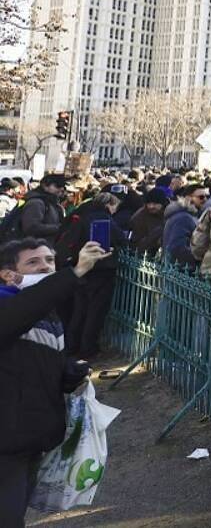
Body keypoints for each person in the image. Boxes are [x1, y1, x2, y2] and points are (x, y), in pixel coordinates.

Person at [0, 238, 111, 524]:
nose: (45, 267)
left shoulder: (47, 315)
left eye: (50, 261)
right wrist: (73, 273)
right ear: (8, 274)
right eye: (33, 262)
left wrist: (67, 373)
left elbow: (32, 364)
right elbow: (21, 313)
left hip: (29, 437)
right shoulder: (10, 305)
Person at [59, 192, 126, 359]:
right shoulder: (103, 218)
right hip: (101, 268)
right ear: (109, 204)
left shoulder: (81, 215)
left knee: (80, 310)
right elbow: (121, 239)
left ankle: (72, 345)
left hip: (80, 267)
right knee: (95, 311)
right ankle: (88, 348)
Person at [162, 183, 206, 268]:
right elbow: (177, 248)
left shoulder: (186, 215)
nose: (205, 200)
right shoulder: (183, 218)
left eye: (206, 196)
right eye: (201, 197)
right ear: (189, 198)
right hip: (180, 271)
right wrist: (199, 257)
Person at [18, 174, 66, 241]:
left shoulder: (51, 203)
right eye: (57, 186)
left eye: (62, 186)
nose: (61, 189)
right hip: (33, 247)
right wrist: (58, 228)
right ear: (45, 186)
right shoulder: (36, 203)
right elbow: (31, 228)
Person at [128, 187, 169, 253]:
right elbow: (135, 244)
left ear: (162, 203)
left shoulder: (170, 214)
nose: (151, 206)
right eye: (149, 203)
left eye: (155, 204)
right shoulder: (139, 217)